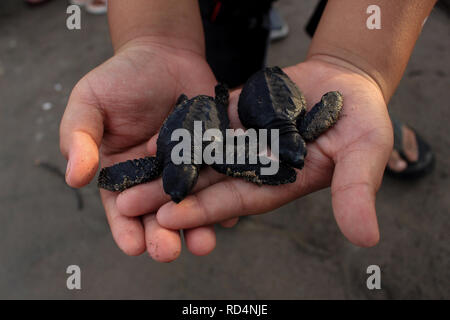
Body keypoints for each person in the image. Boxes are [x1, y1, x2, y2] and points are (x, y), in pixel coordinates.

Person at [60, 0, 437, 262]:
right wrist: (155, 37)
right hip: (218, 73)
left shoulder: (194, 153)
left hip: (229, 108)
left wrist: (360, 63)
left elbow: (242, 154)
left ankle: (362, 89)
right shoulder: (205, 153)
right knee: (229, 49)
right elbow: (241, 156)